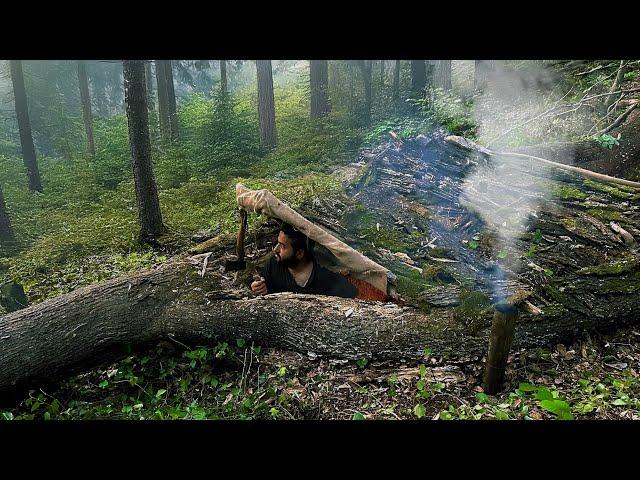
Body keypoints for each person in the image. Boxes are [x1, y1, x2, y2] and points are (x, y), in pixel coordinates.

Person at [251, 223, 358, 298]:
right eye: (277, 243)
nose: (275, 249)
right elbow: (265, 292)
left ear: (299, 253)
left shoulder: (326, 277)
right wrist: (259, 288)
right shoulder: (273, 265)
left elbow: (354, 299)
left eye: (283, 246)